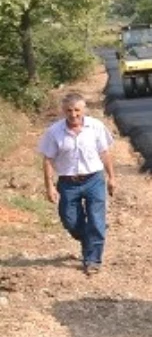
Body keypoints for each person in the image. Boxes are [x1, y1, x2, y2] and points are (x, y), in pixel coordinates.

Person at [38, 92, 116, 276]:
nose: (73, 115)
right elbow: (48, 159)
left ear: (84, 110)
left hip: (94, 179)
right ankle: (90, 238)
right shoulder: (54, 132)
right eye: (69, 111)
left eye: (77, 110)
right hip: (68, 183)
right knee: (70, 220)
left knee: (96, 220)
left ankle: (92, 260)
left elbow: (104, 153)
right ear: (63, 111)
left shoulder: (95, 127)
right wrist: (49, 186)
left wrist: (112, 177)